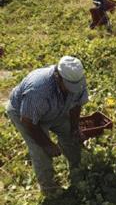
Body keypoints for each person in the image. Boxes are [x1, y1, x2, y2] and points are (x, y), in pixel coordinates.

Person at [6, 56, 89, 195]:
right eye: (69, 86)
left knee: (71, 135)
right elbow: (28, 122)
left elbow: (76, 104)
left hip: (55, 109)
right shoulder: (38, 90)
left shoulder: (77, 80)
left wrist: (75, 128)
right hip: (25, 114)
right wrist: (47, 144)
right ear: (58, 76)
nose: (72, 90)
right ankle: (49, 189)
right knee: (41, 151)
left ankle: (77, 170)